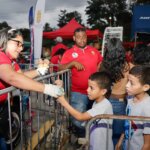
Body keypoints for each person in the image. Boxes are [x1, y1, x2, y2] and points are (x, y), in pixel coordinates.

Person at [0, 28, 64, 149]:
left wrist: (39, 71)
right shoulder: (0, 55)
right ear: (5, 40)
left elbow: (21, 76)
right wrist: (46, 88)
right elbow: (13, 78)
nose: (21, 48)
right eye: (17, 43)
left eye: (22, 45)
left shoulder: (11, 60)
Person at [59, 27, 103, 137]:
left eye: (84, 37)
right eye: (78, 37)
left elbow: (101, 63)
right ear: (74, 38)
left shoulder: (94, 51)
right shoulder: (69, 53)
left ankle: (92, 138)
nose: (81, 40)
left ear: (86, 37)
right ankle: (84, 138)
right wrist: (72, 63)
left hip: (96, 92)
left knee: (96, 117)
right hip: (78, 93)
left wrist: (99, 70)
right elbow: (60, 68)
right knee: (77, 120)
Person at [56, 72, 114, 150]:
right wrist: (61, 90)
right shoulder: (97, 102)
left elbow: (80, 117)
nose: (87, 90)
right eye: (88, 87)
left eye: (91, 88)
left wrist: (64, 103)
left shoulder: (104, 105)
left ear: (103, 91)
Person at [100, 38, 134, 147]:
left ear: (107, 50)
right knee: (118, 135)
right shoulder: (129, 67)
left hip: (104, 101)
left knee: (105, 133)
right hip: (120, 103)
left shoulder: (102, 65)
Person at [116, 65, 150, 150]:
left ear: (145, 87)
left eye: (131, 83)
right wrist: (120, 141)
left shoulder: (147, 108)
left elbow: (147, 145)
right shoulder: (130, 99)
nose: (127, 85)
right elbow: (128, 122)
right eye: (127, 81)